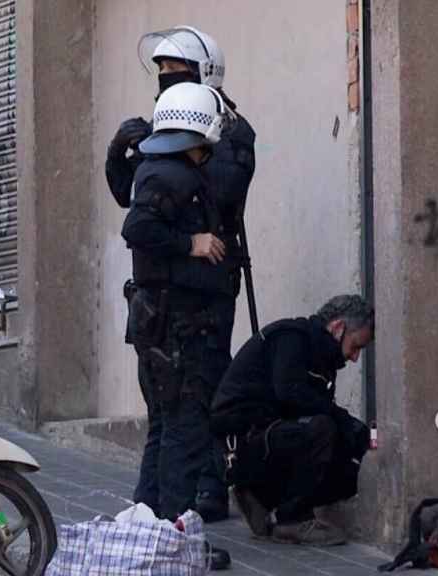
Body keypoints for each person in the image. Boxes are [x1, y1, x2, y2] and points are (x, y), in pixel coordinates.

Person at [107, 26, 257, 522]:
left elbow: (217, 195)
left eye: (178, 74)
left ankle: (190, 504)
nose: (166, 84)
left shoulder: (227, 133)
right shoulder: (170, 144)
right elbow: (138, 208)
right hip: (171, 307)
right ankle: (163, 525)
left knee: (188, 417)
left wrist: (165, 145)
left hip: (199, 300)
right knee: (176, 422)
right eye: (162, 75)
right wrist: (121, 151)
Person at [122, 81, 234, 570]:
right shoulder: (170, 175)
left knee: (165, 430)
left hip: (162, 327)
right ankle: (173, 540)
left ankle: (150, 530)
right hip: (179, 332)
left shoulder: (161, 168)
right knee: (182, 435)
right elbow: (138, 229)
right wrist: (193, 244)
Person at [211, 295, 374, 547]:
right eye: (355, 346)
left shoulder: (322, 357)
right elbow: (290, 395)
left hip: (267, 437)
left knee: (347, 459)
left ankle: (261, 498)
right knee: (322, 429)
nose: (354, 358)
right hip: (240, 443)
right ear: (338, 327)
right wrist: (342, 420)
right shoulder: (292, 338)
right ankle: (292, 519)